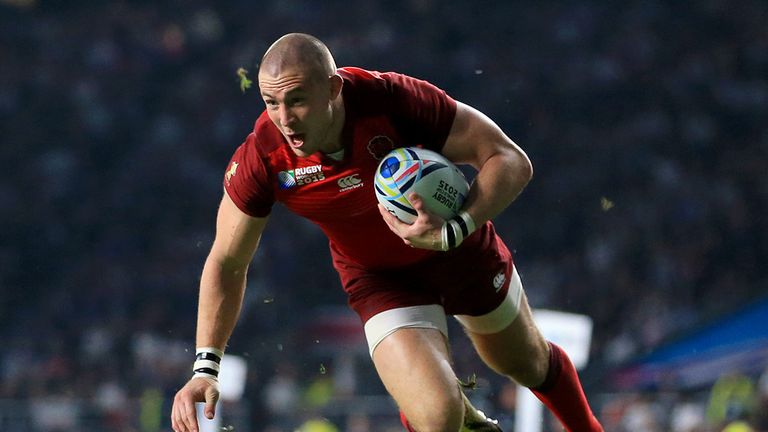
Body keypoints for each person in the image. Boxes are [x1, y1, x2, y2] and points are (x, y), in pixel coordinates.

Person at [170, 32, 603, 432]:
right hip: (380, 279)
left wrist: (458, 227)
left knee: (525, 364)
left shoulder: (391, 100)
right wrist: (204, 368)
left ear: (334, 88)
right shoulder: (263, 158)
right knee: (438, 416)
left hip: (459, 248)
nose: (285, 118)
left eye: (298, 100)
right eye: (271, 102)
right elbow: (227, 260)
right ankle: (447, 409)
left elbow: (509, 159)